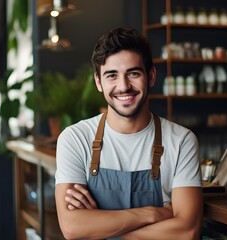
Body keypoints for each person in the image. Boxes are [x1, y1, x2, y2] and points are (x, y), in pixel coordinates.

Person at [55, 27, 203, 240]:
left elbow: (187, 232)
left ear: (151, 76)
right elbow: (71, 228)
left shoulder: (181, 141)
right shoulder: (75, 138)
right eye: (111, 75)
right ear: (98, 82)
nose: (123, 86)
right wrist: (154, 214)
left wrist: (99, 227)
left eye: (133, 73)